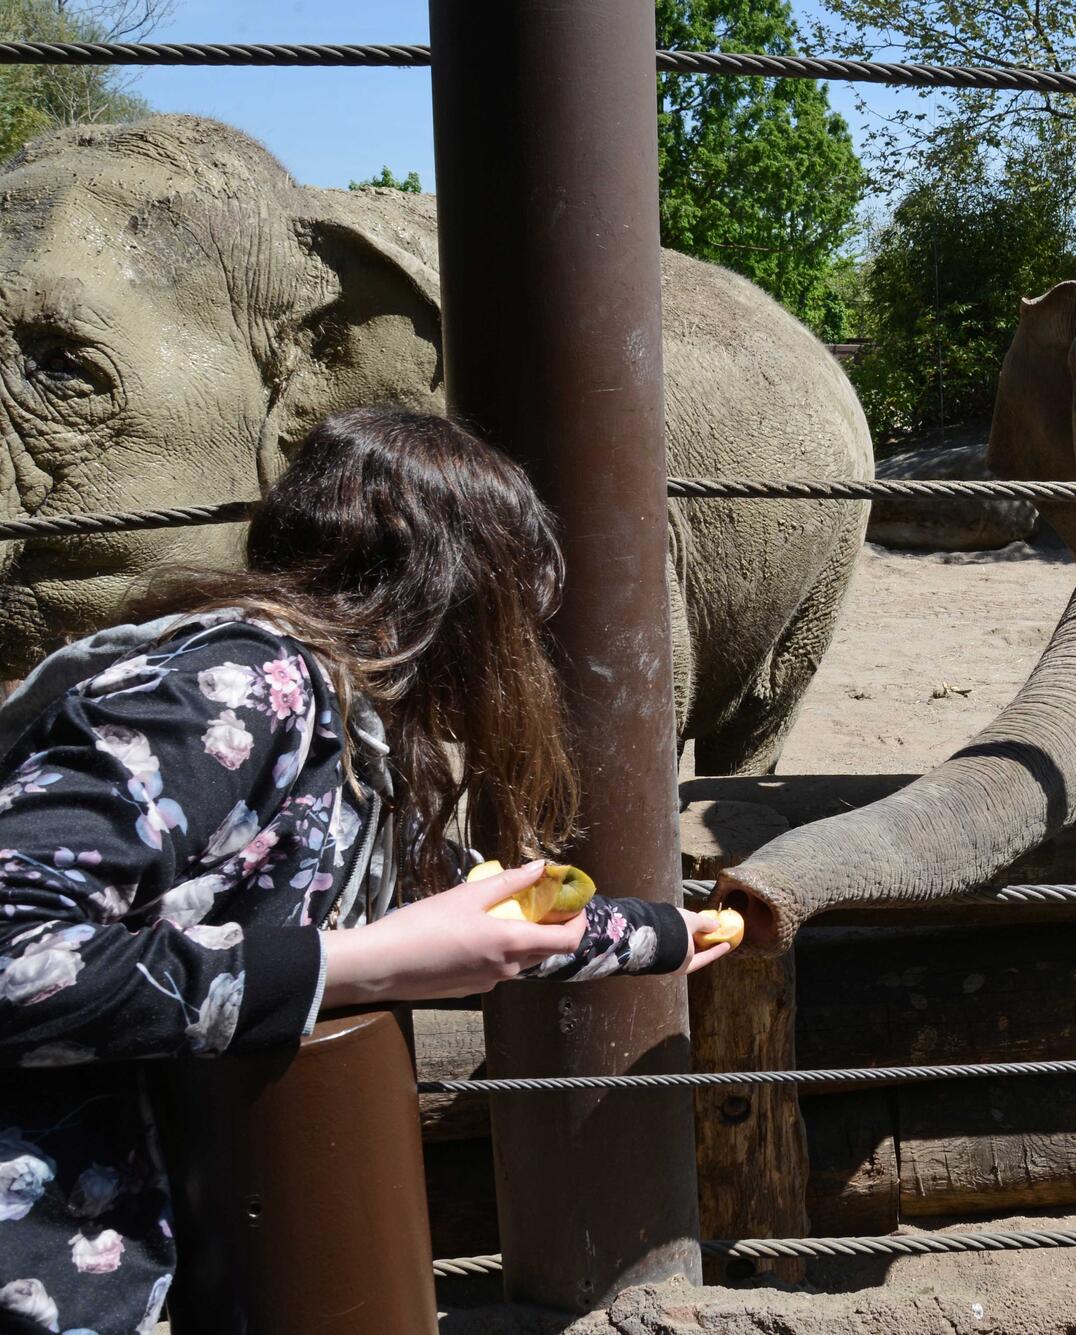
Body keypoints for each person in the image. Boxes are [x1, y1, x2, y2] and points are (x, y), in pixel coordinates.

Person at [0, 407, 732, 1333]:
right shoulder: (240, 688)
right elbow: (14, 944)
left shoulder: (348, 734)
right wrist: (361, 963)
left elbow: (462, 913)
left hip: (151, 1248)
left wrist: (664, 933)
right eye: (518, 618)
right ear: (458, 598)